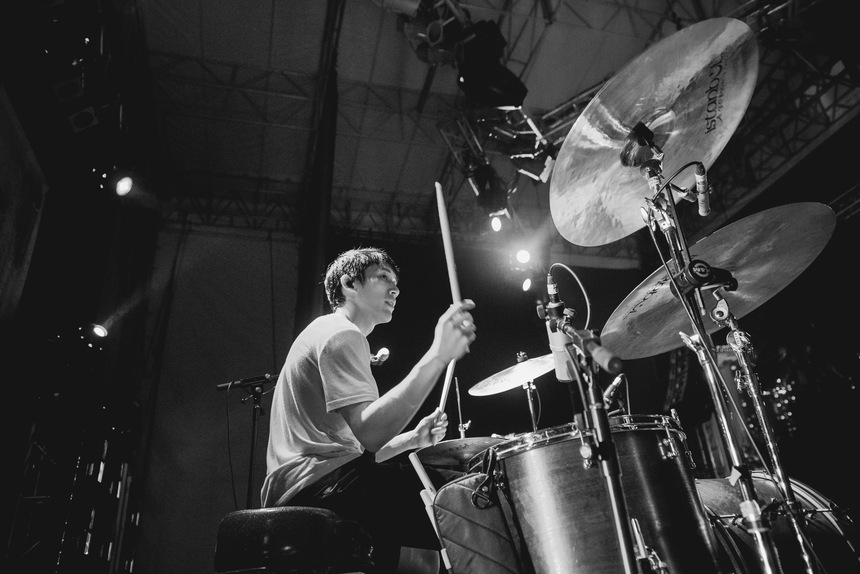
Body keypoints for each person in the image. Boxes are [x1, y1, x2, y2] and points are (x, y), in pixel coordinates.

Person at [261, 247, 477, 572]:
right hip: (319, 488)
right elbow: (371, 434)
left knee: (422, 558)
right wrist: (438, 355)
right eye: (383, 277)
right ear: (350, 284)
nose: (395, 289)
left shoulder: (325, 330)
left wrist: (413, 439)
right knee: (469, 495)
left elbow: (356, 452)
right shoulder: (341, 334)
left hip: (311, 485)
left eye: (396, 282)